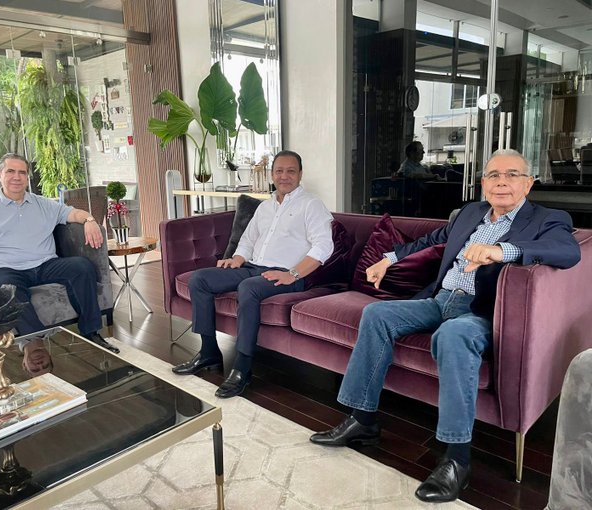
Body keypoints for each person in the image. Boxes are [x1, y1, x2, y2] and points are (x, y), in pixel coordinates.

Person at [310, 149, 581, 503]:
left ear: (528, 183)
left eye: (512, 175)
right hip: (440, 301)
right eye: (494, 175)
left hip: (481, 312)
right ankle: (363, 420)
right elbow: (431, 240)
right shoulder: (469, 213)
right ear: (483, 183)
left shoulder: (548, 218)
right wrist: (387, 260)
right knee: (377, 315)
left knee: (453, 335)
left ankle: (457, 459)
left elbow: (568, 251)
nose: (502, 182)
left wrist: (503, 251)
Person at [172, 150, 334, 398]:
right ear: (272, 174)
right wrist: (237, 258)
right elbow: (248, 240)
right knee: (200, 279)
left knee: (248, 288)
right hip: (252, 268)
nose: (284, 176)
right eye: (279, 171)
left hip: (286, 275)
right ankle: (209, 353)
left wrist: (293, 274)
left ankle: (242, 368)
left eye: (291, 171)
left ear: (300, 174)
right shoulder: (265, 207)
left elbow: (324, 245)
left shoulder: (311, 205)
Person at [0, 153, 119, 354]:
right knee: (7, 289)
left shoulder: (43, 204)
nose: (17, 177)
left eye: (22, 172)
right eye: (10, 171)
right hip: (5, 270)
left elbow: (74, 213)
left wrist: (89, 220)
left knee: (82, 267)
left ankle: (91, 333)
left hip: (45, 265)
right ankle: (36, 344)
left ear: (27, 177)